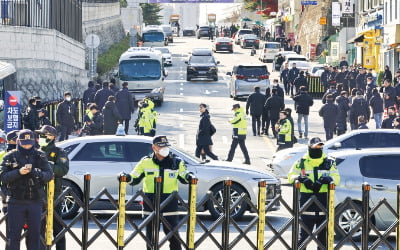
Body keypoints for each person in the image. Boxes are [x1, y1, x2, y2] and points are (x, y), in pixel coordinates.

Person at [119, 136, 195, 250]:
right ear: (154, 147)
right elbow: (135, 177)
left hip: (169, 201)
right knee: (151, 235)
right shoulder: (145, 162)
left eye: (166, 146)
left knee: (173, 234)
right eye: (161, 146)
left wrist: (189, 177)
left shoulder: (176, 161)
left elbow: (184, 175)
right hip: (151, 201)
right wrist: (127, 177)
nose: (165, 149)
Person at [0, 129, 53, 250]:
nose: (27, 146)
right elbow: (3, 177)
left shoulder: (40, 155)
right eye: (24, 143)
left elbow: (49, 174)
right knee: (14, 237)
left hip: (35, 200)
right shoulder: (10, 156)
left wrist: (36, 173)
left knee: (35, 236)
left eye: (29, 143)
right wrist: (18, 172)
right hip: (15, 201)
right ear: (18, 141)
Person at [287, 137, 340, 250]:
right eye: (316, 146)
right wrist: (301, 178)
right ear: (310, 147)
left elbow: (337, 178)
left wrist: (326, 179)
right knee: (304, 237)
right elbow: (290, 177)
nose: (318, 148)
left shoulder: (329, 162)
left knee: (323, 239)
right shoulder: (301, 162)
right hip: (307, 204)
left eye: (320, 146)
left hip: (323, 203)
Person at [35, 125, 69, 250]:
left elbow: (63, 170)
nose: (41, 137)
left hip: (54, 194)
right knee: (39, 227)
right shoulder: (35, 151)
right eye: (40, 135)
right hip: (37, 194)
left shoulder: (59, 152)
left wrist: (47, 165)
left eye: (44, 135)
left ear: (52, 137)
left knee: (57, 227)